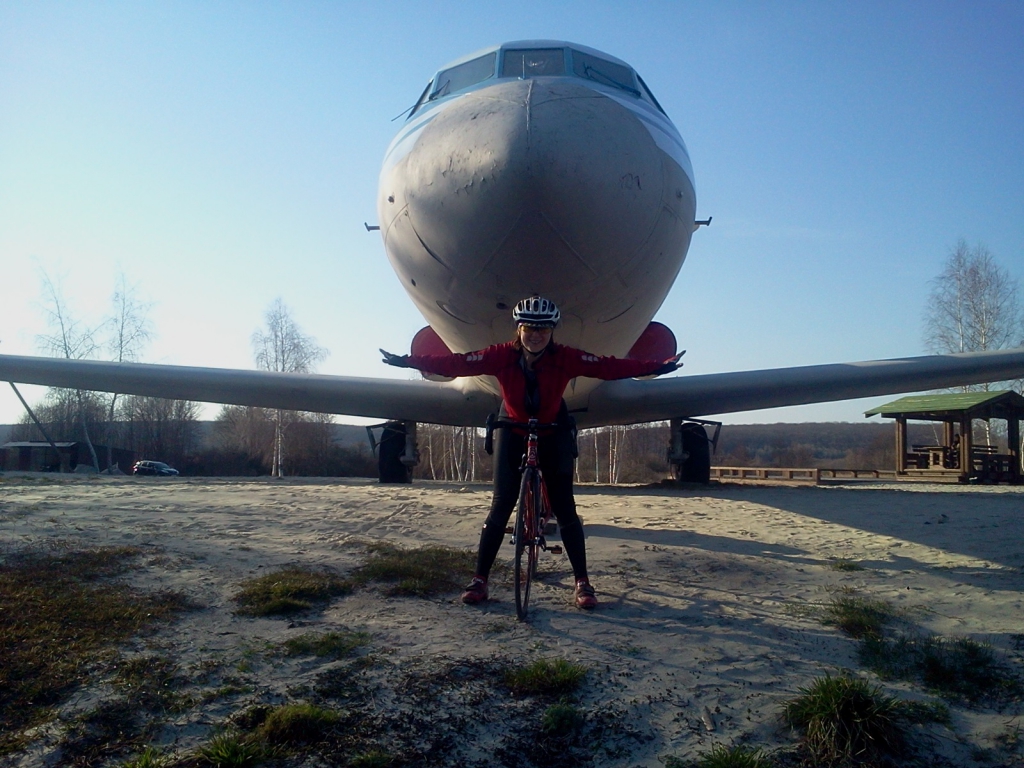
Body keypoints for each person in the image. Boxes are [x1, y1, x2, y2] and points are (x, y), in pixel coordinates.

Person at [381, 296, 681, 610]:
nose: (535, 335)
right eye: (529, 328)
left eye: (543, 329)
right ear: (519, 329)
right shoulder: (501, 356)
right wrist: (410, 362)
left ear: (552, 331)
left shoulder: (565, 358)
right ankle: (479, 580)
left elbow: (607, 366)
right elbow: (459, 363)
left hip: (553, 430)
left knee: (565, 509)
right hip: (512, 428)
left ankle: (582, 582)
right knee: (501, 506)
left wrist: (656, 367)